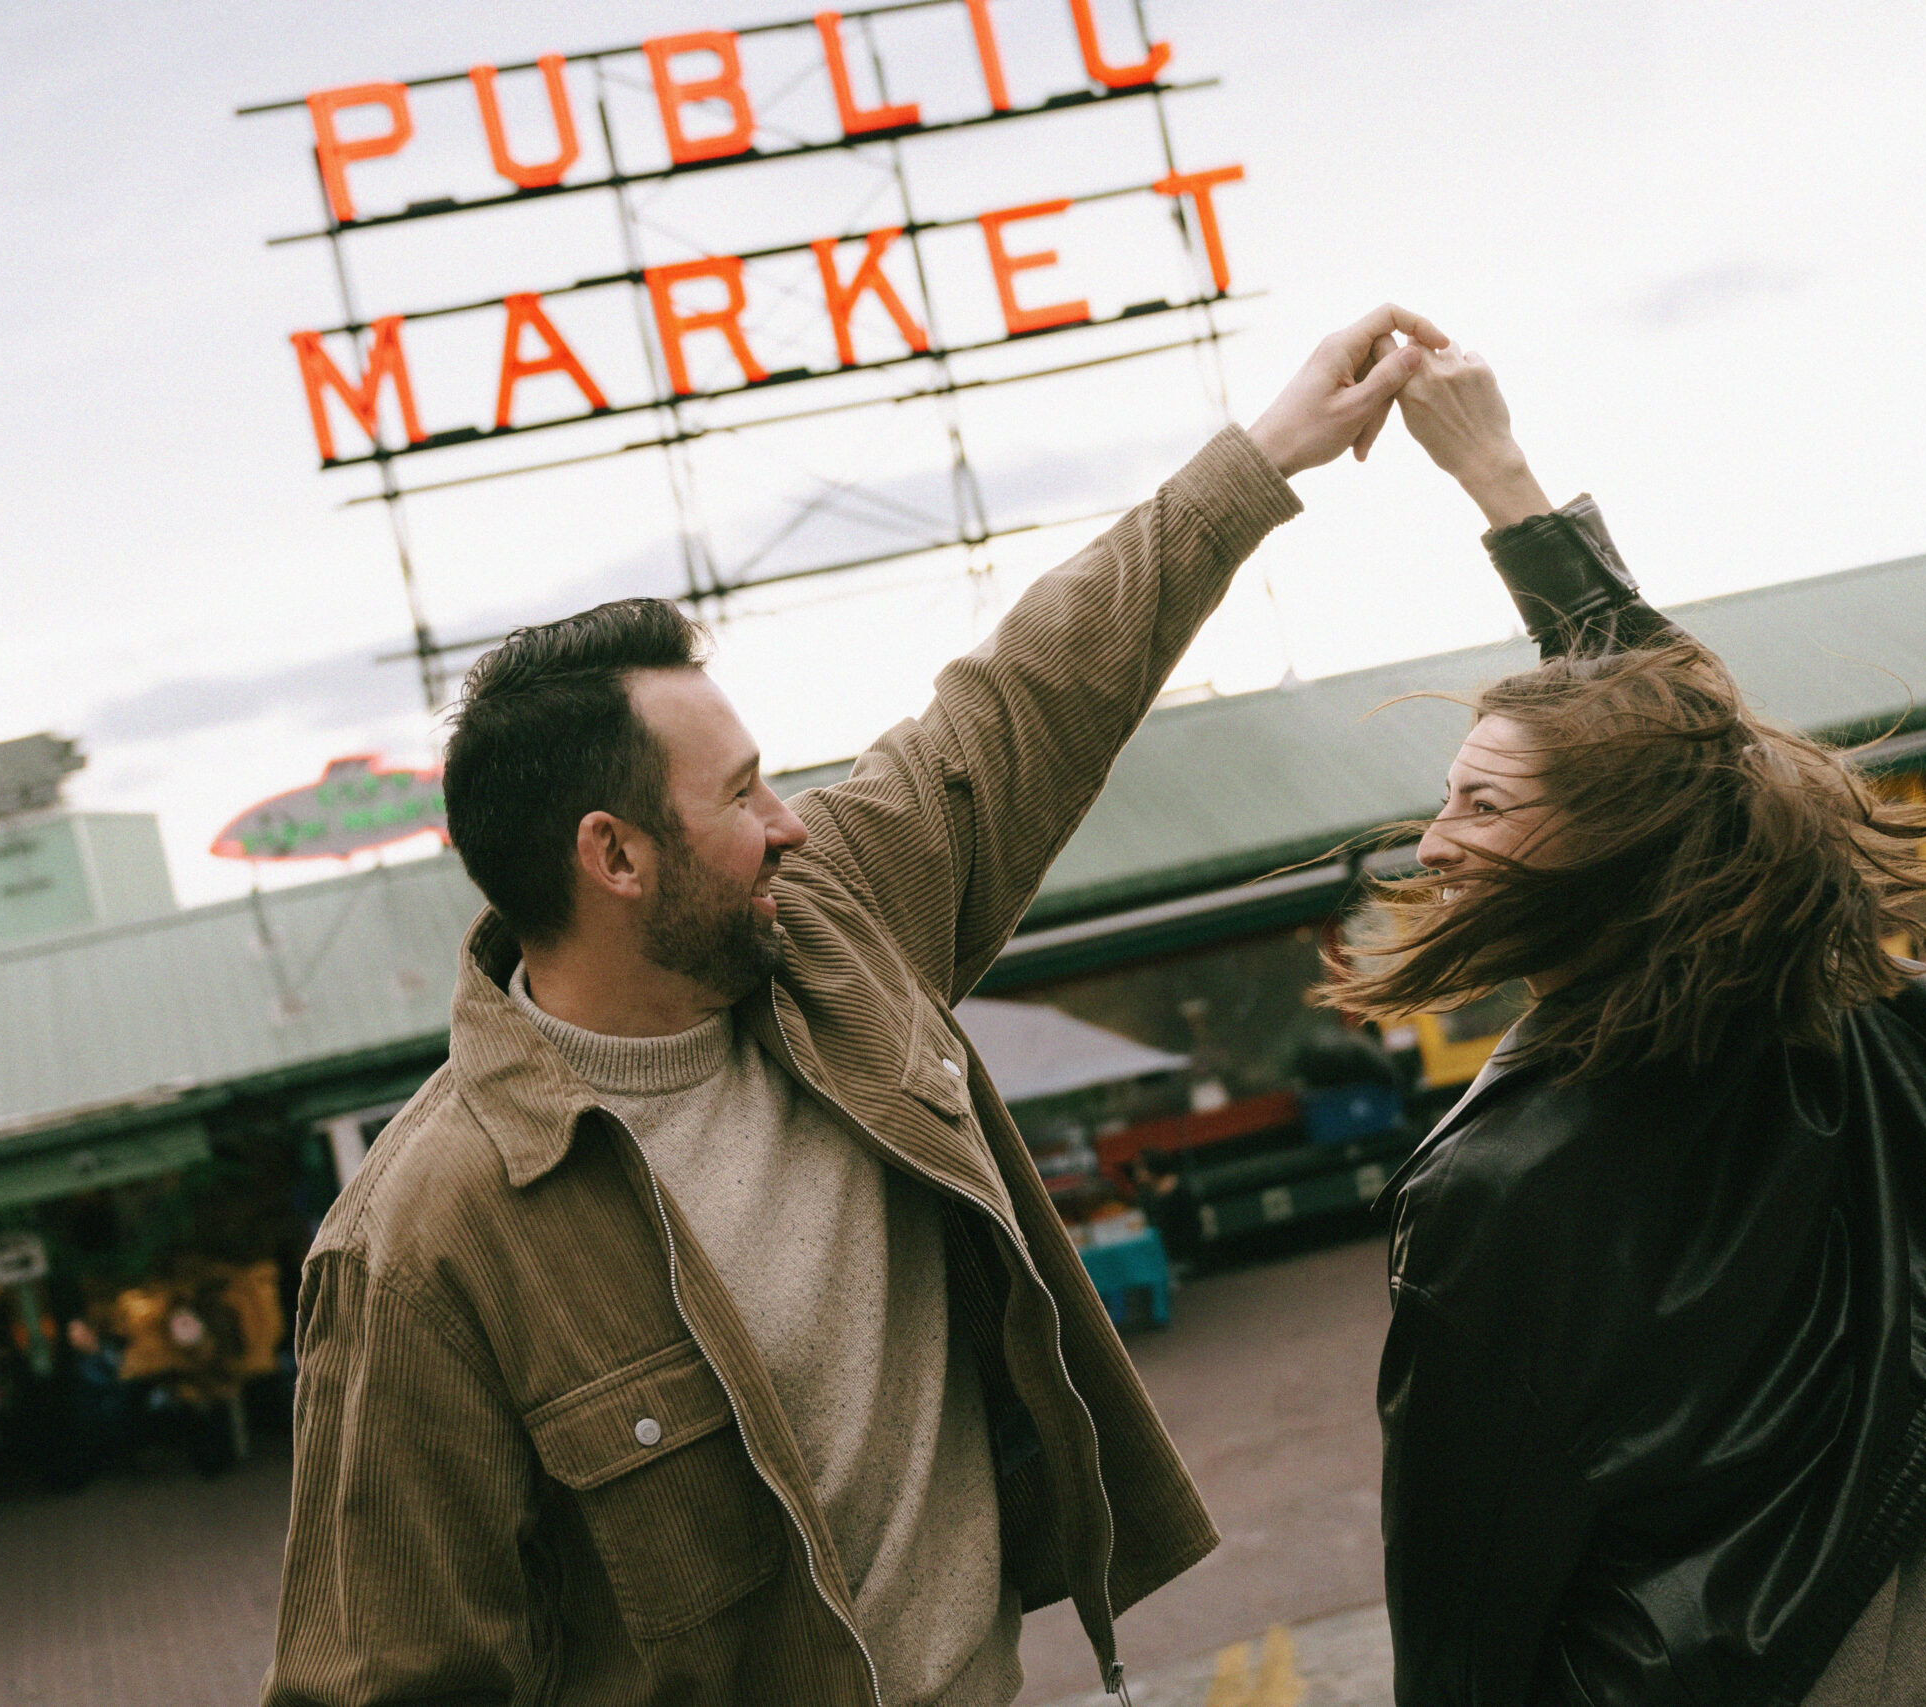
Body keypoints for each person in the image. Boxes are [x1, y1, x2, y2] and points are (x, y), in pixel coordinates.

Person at [263, 306, 1446, 1707]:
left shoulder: (826, 935)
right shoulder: (421, 1247)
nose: (794, 825)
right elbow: (380, 1686)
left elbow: (1029, 695)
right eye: (744, 791)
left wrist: (1262, 458)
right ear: (616, 857)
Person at [1330, 346, 1926, 1707]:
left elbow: (1470, 1553)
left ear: (1615, 848)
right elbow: (1691, 754)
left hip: (1718, 1676)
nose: (1433, 842)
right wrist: (1499, 477)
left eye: (1479, 806)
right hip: (1923, 1616)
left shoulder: (1492, 1184)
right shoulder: (1795, 1001)